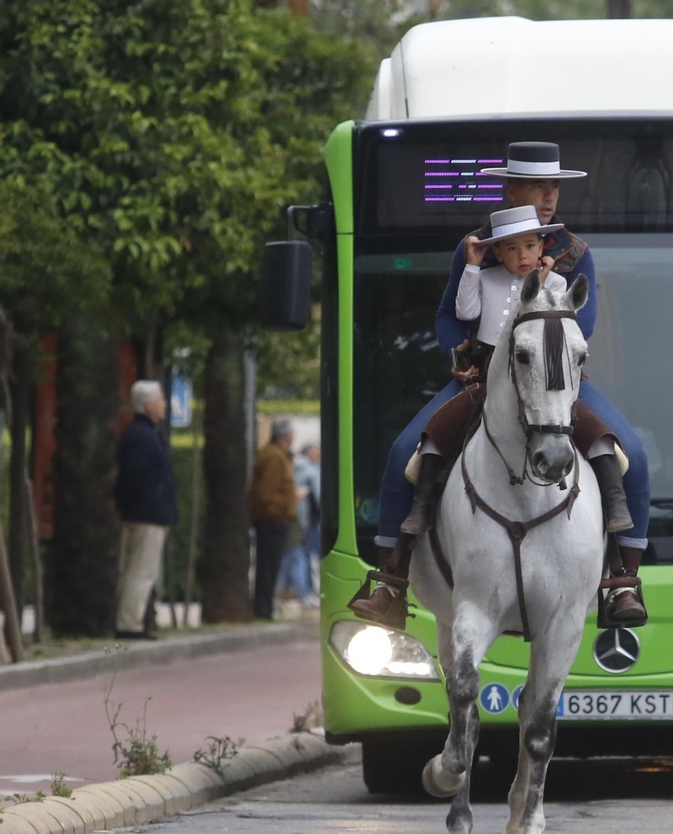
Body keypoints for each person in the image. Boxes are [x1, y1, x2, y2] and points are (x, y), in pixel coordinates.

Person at [353, 142, 651, 629]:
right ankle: (391, 580)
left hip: (552, 378)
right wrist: (459, 356)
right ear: (509, 189)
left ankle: (621, 582)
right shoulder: (475, 248)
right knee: (404, 449)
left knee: (631, 455)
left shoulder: (574, 254)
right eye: (538, 186)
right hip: (481, 376)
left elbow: (586, 324)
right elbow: (450, 316)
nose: (549, 196)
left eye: (554, 187)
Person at [113, 381, 178, 640]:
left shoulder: (141, 433)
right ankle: (129, 624)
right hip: (147, 514)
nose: (164, 405)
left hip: (142, 511)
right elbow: (136, 476)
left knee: (135, 569)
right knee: (141, 571)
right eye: (161, 400)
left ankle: (130, 621)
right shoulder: (143, 436)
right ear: (148, 404)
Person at [250, 419, 298, 621]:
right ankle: (263, 609)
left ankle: (264, 607)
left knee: (269, 566)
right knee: (268, 566)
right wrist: (275, 510)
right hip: (273, 520)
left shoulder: (276, 454)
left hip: (275, 518)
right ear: (286, 436)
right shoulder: (275, 457)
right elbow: (266, 491)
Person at [279, 443, 322, 607]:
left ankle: (304, 591)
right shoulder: (310, 471)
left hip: (301, 520)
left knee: (300, 556)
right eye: (314, 454)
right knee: (302, 557)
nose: (317, 457)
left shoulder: (296, 470)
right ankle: (305, 592)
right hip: (308, 522)